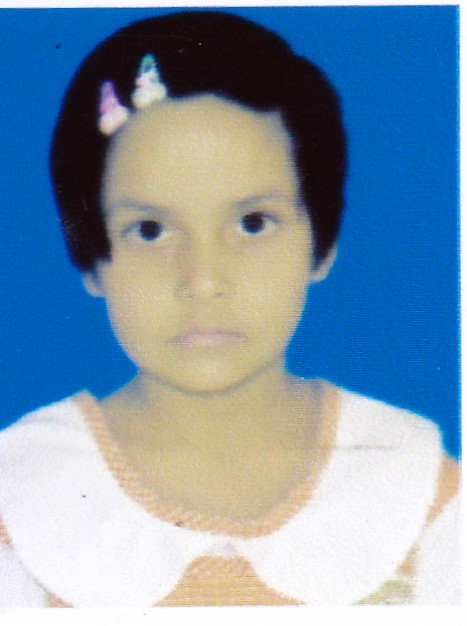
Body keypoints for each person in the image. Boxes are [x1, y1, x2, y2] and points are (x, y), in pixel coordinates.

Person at [0, 10, 460, 607]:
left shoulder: (422, 497)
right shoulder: (20, 498)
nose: (204, 280)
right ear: (90, 256)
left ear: (321, 244)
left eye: (252, 223)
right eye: (150, 230)